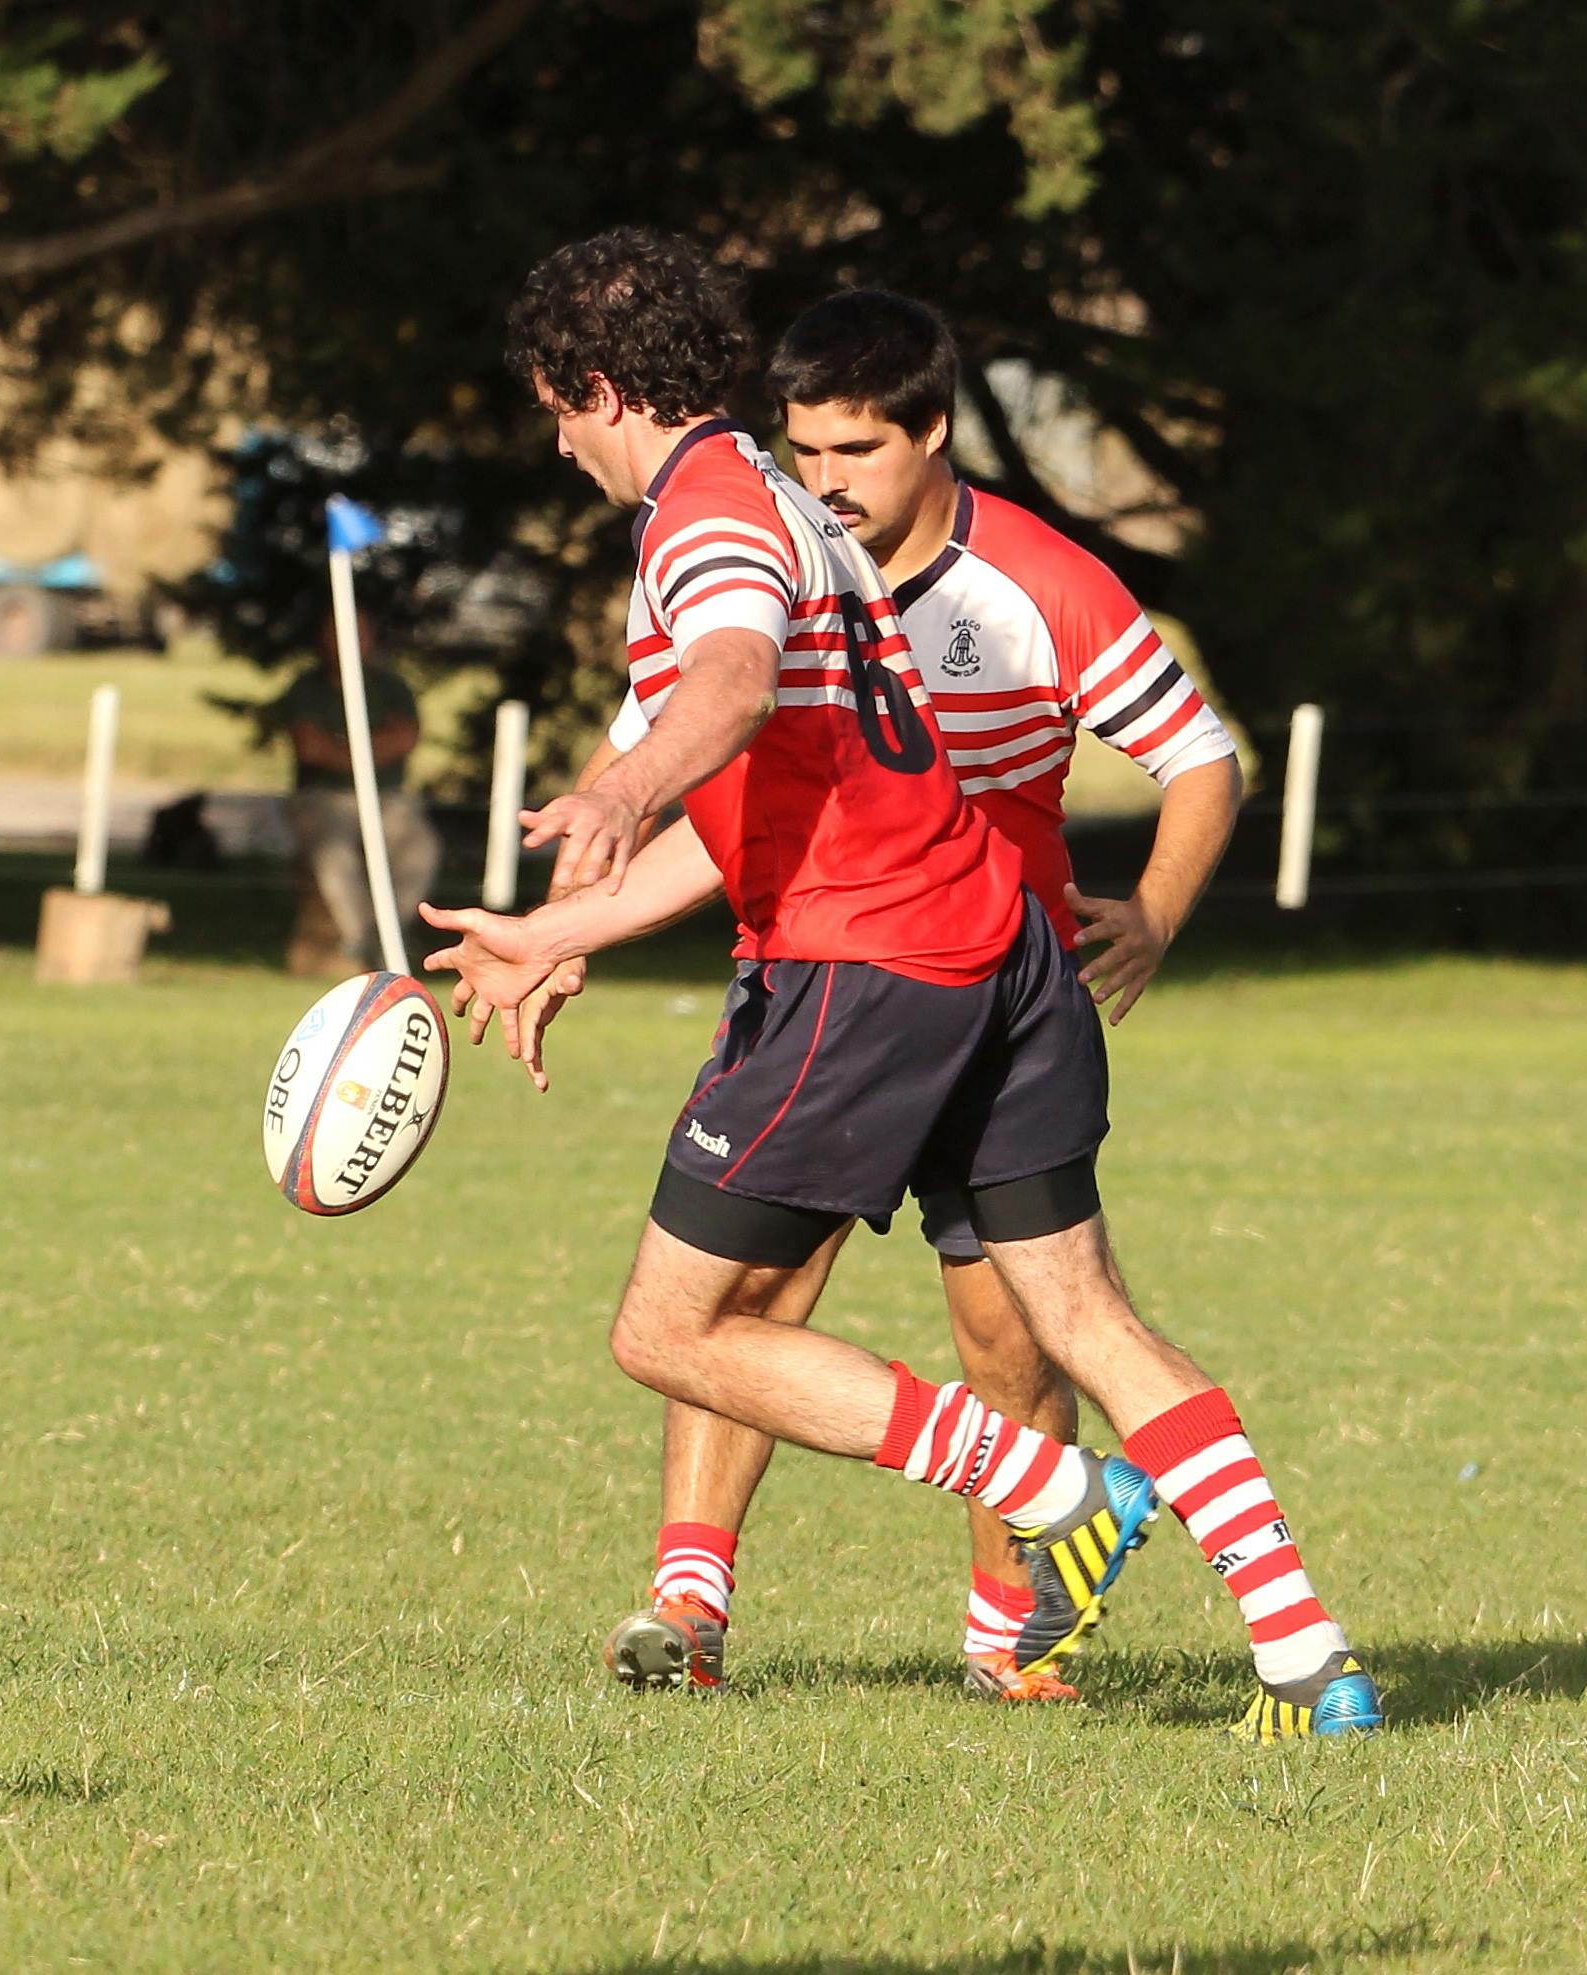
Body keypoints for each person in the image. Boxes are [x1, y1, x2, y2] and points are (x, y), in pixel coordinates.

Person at [421, 227, 1379, 1743]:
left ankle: (1058, 1487)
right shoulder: (790, 505)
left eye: (555, 410)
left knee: (670, 1328)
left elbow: (728, 684)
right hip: (1001, 948)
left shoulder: (710, 517)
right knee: (1081, 1314)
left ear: (597, 385)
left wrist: (618, 792)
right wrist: (564, 929)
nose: (557, 444)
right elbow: (756, 797)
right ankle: (1310, 1657)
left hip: (869, 962)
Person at [554, 289, 1243, 1703]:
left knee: (1011, 1333)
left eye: (855, 449)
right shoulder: (769, 546)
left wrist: (1157, 910)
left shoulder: (1038, 581)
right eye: (803, 446)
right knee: (747, 1287)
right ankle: (691, 1601)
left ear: (932, 432)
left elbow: (1198, 753)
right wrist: (569, 920)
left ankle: (1009, 1634)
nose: (824, 478)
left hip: (997, 990)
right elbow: (672, 749)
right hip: (827, 968)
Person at [278, 605, 440, 970]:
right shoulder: (307, 689)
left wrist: (340, 750)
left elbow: (404, 738)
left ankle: (387, 934)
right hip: (323, 798)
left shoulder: (392, 688)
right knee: (333, 852)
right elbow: (310, 748)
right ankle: (358, 939)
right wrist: (371, 750)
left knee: (422, 847)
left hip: (387, 799)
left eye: (358, 632)